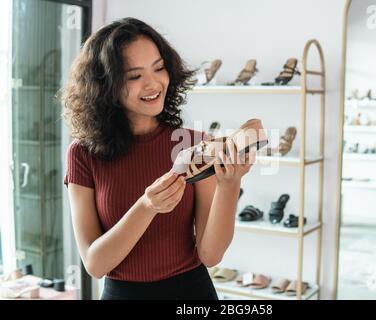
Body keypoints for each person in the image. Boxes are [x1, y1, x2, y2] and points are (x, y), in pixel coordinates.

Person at [62, 17, 255, 300]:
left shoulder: (194, 143)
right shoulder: (82, 154)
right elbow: (95, 264)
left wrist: (230, 185)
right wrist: (147, 206)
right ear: (106, 86)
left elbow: (211, 254)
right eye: (134, 76)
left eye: (159, 68)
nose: (153, 84)